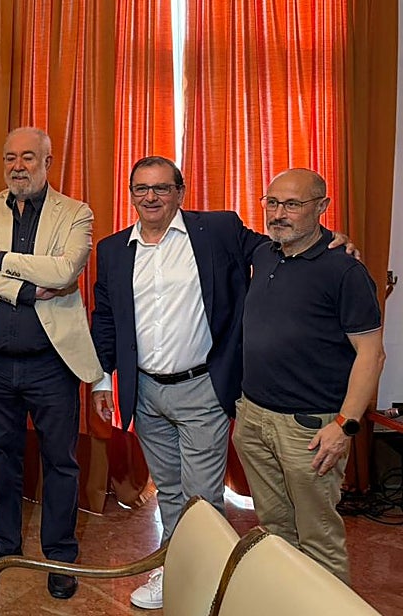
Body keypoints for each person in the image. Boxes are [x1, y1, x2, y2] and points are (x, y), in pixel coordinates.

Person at [90, 156, 359, 608]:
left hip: (203, 388)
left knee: (202, 498)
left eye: (161, 188)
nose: (150, 197)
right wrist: (102, 380)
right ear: (131, 194)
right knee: (170, 491)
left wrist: (336, 240)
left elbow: (282, 243)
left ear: (180, 191)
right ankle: (174, 571)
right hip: (144, 390)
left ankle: (208, 586)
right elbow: (106, 318)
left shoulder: (216, 230)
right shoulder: (115, 249)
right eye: (140, 189)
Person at [0, 127, 103, 601]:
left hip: (52, 365)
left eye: (28, 157)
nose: (18, 165)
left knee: (61, 461)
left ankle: (58, 555)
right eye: (10, 157)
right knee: (1, 455)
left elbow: (64, 271)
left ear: (48, 162)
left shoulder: (76, 212)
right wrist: (22, 285)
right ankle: (5, 541)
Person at [233, 168, 384, 584]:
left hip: (310, 431)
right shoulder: (264, 252)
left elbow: (371, 355)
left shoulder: (344, 270)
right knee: (275, 530)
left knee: (318, 538)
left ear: (322, 207)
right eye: (272, 202)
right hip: (254, 419)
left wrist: (345, 426)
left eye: (293, 204)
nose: (279, 213)